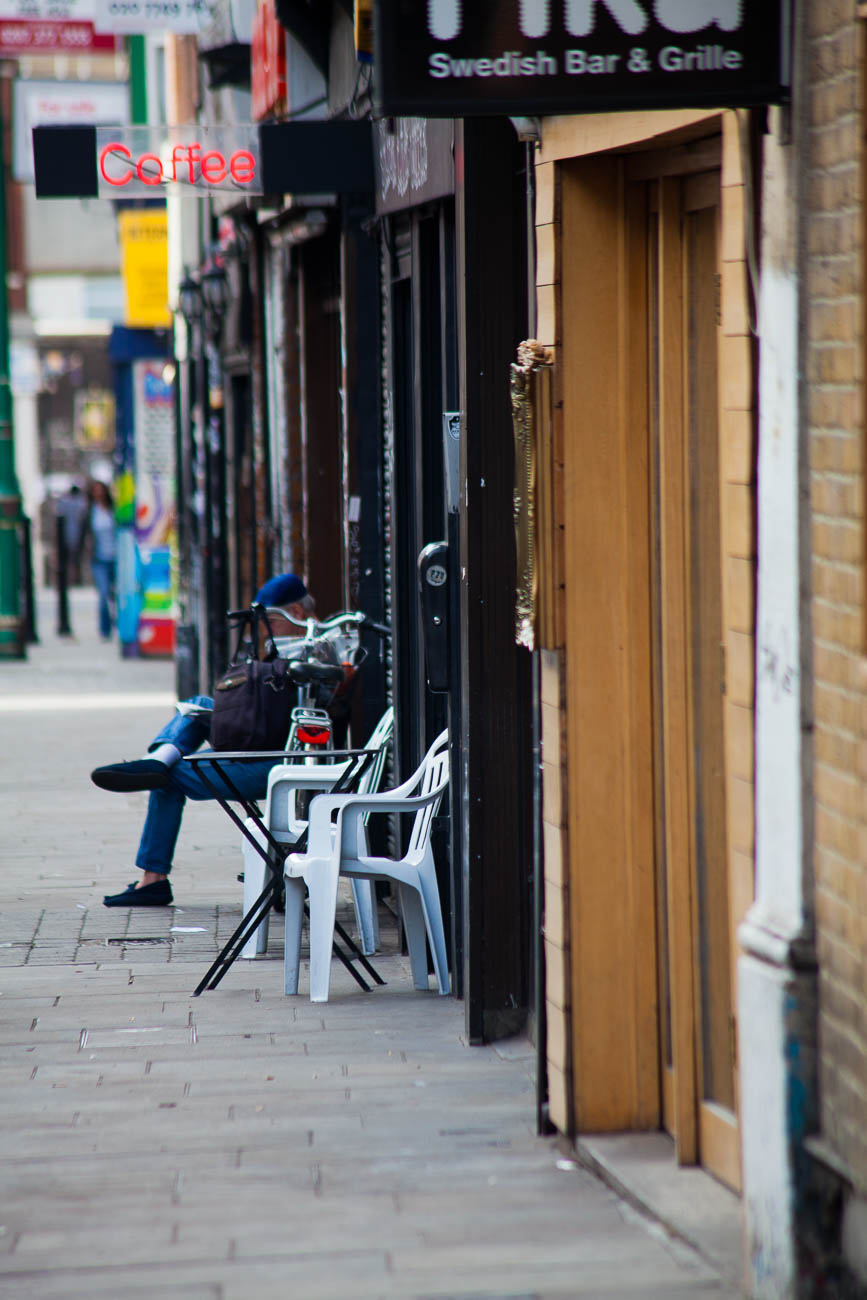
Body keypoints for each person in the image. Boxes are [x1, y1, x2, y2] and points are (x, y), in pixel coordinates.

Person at [92, 573, 311, 908]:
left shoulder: (314, 653)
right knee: (200, 706)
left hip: (277, 764)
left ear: (296, 611)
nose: (262, 632)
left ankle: (153, 876)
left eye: (269, 623)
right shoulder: (286, 652)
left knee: (169, 778)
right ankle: (160, 757)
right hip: (262, 748)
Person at [88, 479, 118, 640]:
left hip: (117, 558)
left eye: (101, 490)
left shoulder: (113, 509)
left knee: (117, 594)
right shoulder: (90, 511)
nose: (98, 493)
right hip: (99, 559)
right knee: (104, 594)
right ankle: (105, 629)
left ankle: (119, 623)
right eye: (95, 490)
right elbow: (83, 534)